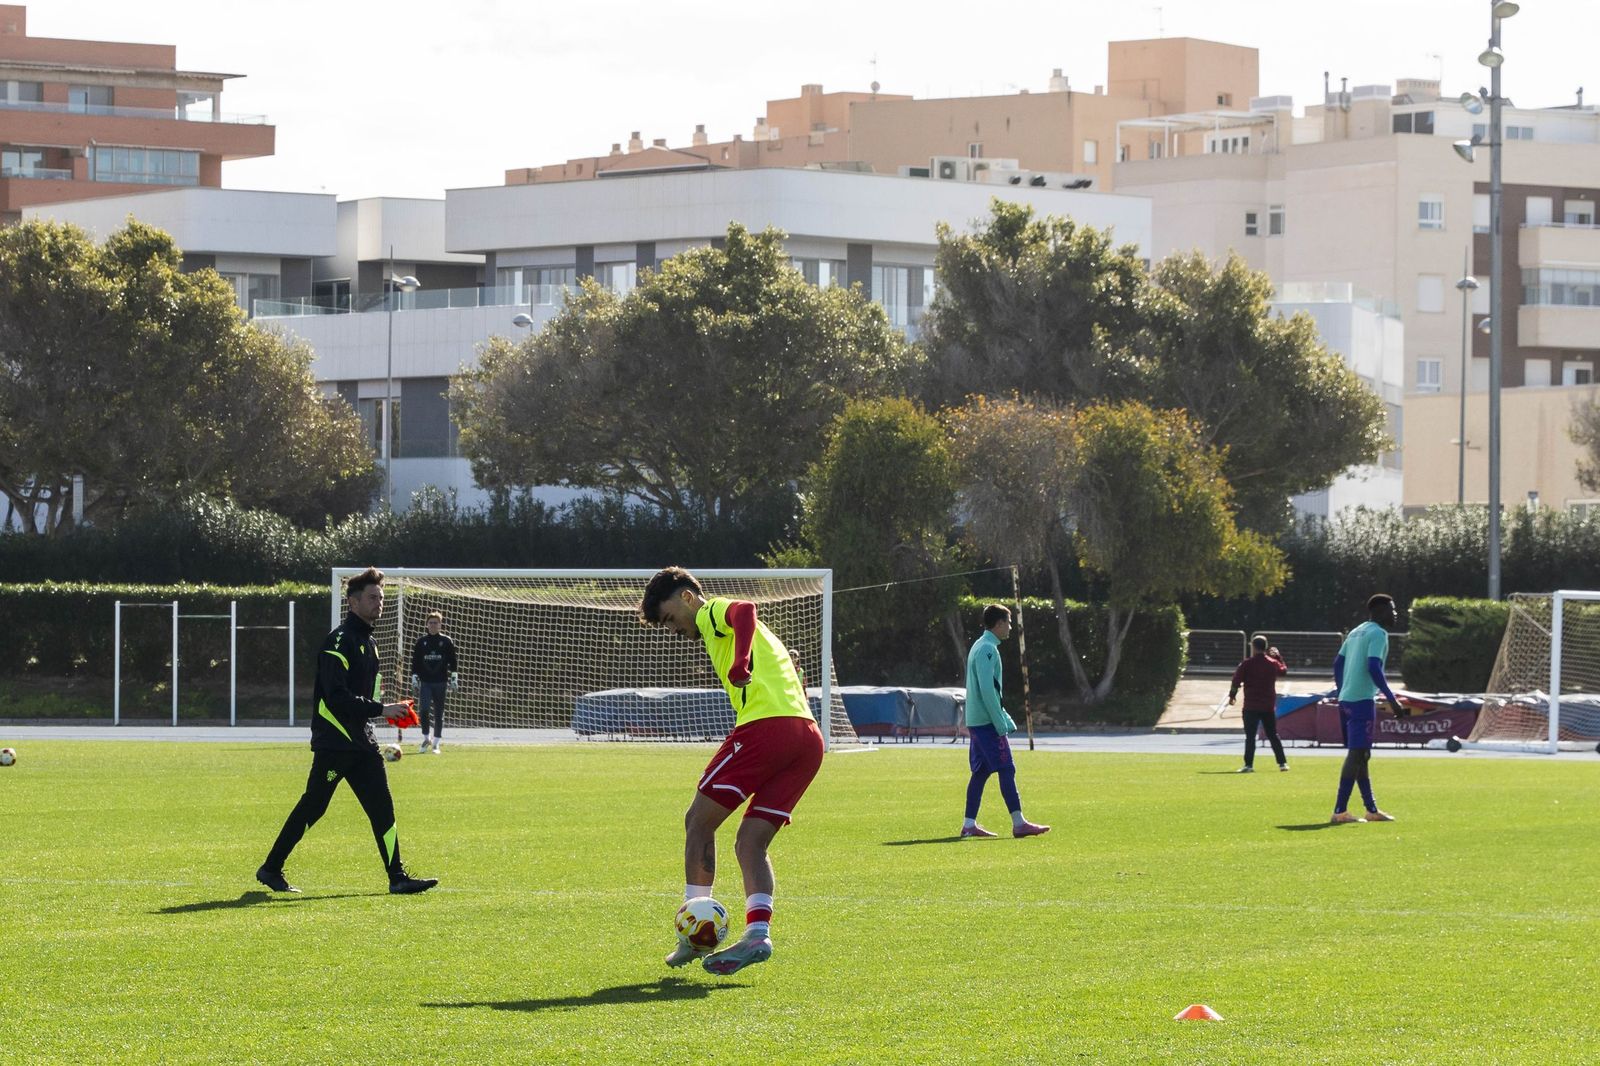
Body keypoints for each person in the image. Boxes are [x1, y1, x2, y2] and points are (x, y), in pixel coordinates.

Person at [639, 566, 825, 976]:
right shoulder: (747, 636)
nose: (673, 630)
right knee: (751, 842)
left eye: (670, 618)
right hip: (808, 739)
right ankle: (758, 933)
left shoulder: (710, 612)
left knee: (697, 822)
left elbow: (744, 608)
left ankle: (691, 934)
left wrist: (740, 663)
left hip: (767, 728)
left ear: (687, 597)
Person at [257, 567, 438, 894]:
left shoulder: (371, 645)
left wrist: (391, 712)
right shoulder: (338, 641)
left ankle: (397, 877)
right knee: (314, 806)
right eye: (372, 597)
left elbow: (369, 699)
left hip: (362, 743)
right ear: (353, 603)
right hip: (335, 743)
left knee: (382, 808)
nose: (379, 603)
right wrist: (381, 709)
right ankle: (271, 868)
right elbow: (336, 696)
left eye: (381, 597)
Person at [960, 604, 1049, 840]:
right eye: (1008, 622)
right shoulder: (988, 649)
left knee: (981, 772)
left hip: (977, 720)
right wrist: (999, 721)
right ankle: (1019, 823)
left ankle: (969, 824)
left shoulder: (980, 645)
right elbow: (988, 690)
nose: (1010, 627)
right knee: (1007, 768)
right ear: (998, 624)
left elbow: (987, 690)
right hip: (986, 723)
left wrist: (1002, 714)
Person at [1329, 594, 1405, 824]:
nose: (1395, 613)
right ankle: (1340, 811)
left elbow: (1337, 663)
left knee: (1362, 753)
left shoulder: (1356, 631)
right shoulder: (1378, 634)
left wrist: (1343, 689)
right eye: (1392, 609)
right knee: (1357, 754)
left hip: (1347, 699)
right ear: (1381, 611)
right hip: (1362, 700)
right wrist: (1392, 699)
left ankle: (1371, 809)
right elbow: (1373, 666)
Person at [1229, 635, 1289, 772]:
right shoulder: (1272, 663)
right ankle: (1282, 763)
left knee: (1250, 736)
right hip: (1268, 706)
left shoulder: (1247, 664)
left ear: (1253, 647)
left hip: (1251, 706)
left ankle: (1248, 765)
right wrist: (1279, 657)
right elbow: (1283, 671)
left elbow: (1236, 681)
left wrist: (1232, 696)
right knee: (1273, 734)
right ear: (1265, 646)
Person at [410, 610, 459, 754]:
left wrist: (454, 678)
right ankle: (426, 738)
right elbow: (415, 662)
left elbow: (453, 662)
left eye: (435, 623)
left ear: (440, 625)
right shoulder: (421, 642)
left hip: (441, 682)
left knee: (439, 713)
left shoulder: (446, 641)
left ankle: (436, 743)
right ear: (426, 624)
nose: (433, 625)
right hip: (425, 682)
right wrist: (414, 677)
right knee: (424, 710)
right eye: (430, 622)